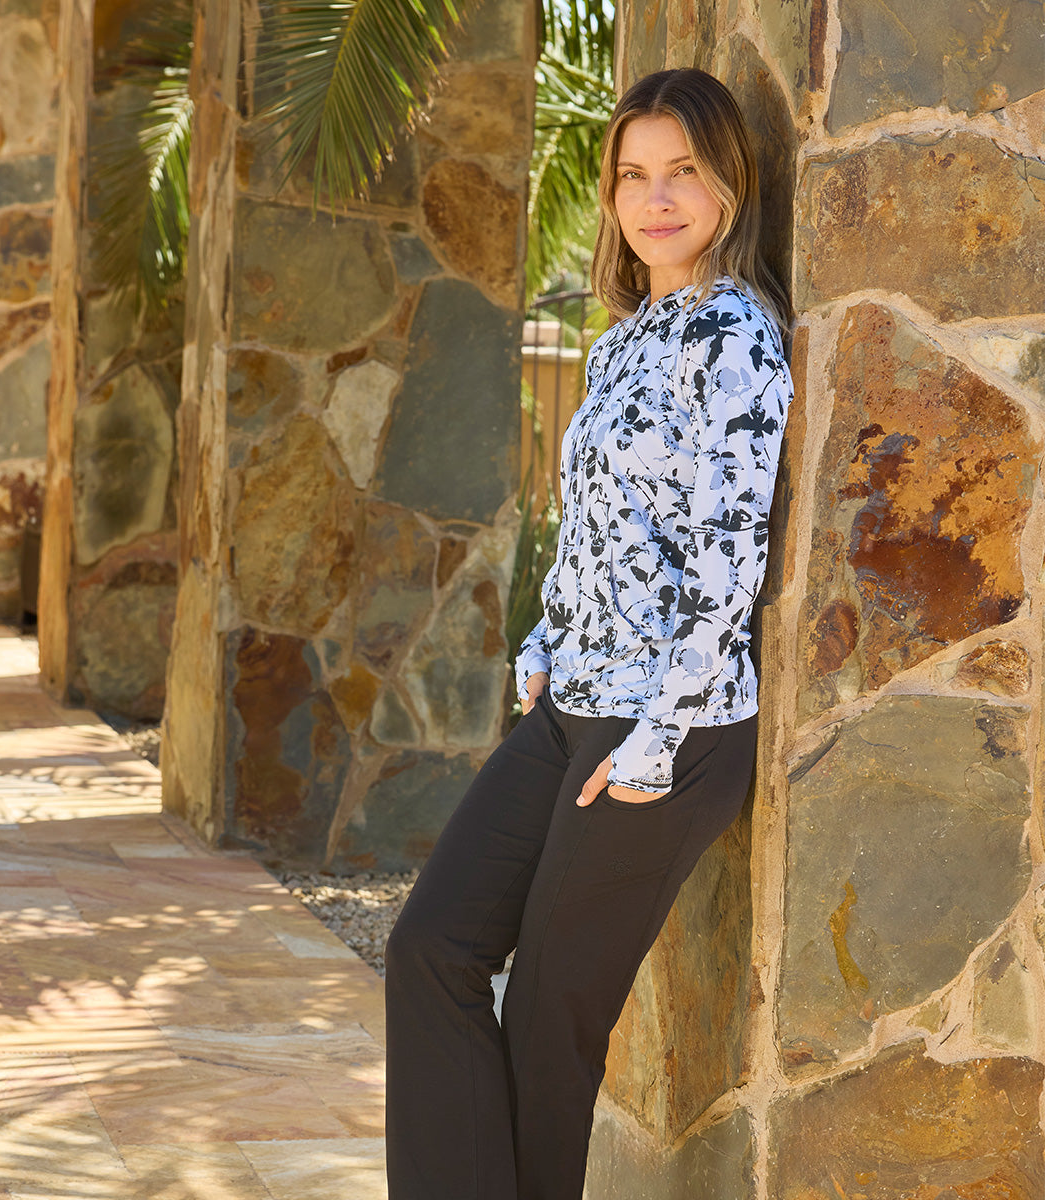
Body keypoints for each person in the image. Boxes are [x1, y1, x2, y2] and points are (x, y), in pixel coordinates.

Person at [384, 67, 794, 1200]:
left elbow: (729, 556)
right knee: (431, 948)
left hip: (667, 730)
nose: (654, 200)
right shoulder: (621, 342)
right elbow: (597, 528)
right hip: (572, 709)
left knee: (547, 1029)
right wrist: (544, 644)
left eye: (683, 173)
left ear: (729, 184)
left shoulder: (736, 337)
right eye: (633, 176)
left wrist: (660, 737)